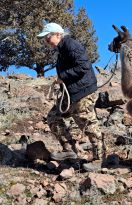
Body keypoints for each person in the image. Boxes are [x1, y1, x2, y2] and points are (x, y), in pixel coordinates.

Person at [37, 22, 102, 161]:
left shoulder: (71, 45)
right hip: (72, 93)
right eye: (45, 39)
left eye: (48, 37)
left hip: (83, 91)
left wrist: (63, 77)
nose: (46, 41)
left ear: (58, 34)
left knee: (89, 125)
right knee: (53, 117)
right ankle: (69, 150)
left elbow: (83, 66)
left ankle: (100, 159)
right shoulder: (62, 49)